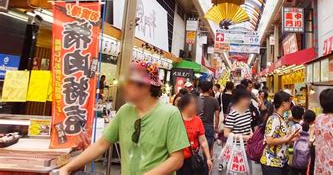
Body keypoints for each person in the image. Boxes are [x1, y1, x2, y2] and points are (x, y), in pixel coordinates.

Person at [59, 60, 189, 175]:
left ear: (147, 87)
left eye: (131, 83)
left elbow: (177, 160)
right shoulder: (125, 111)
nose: (125, 88)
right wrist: (68, 167)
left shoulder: (170, 114)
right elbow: (101, 144)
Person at [260, 91, 300, 175]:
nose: (290, 103)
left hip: (280, 161)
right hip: (272, 163)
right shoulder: (274, 119)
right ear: (283, 103)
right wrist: (288, 138)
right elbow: (269, 140)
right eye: (289, 101)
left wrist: (291, 138)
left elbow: (280, 138)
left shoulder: (282, 118)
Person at [177, 93, 213, 175]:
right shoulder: (176, 118)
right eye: (193, 103)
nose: (195, 106)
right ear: (185, 105)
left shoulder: (197, 120)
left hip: (191, 159)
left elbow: (203, 140)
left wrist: (208, 158)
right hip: (176, 159)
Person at [198, 80, 220, 154]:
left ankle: (197, 162)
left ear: (201, 89)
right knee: (209, 147)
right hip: (209, 126)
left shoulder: (197, 100)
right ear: (210, 89)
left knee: (197, 146)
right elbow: (217, 115)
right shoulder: (214, 101)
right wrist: (216, 127)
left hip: (198, 125)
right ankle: (208, 162)